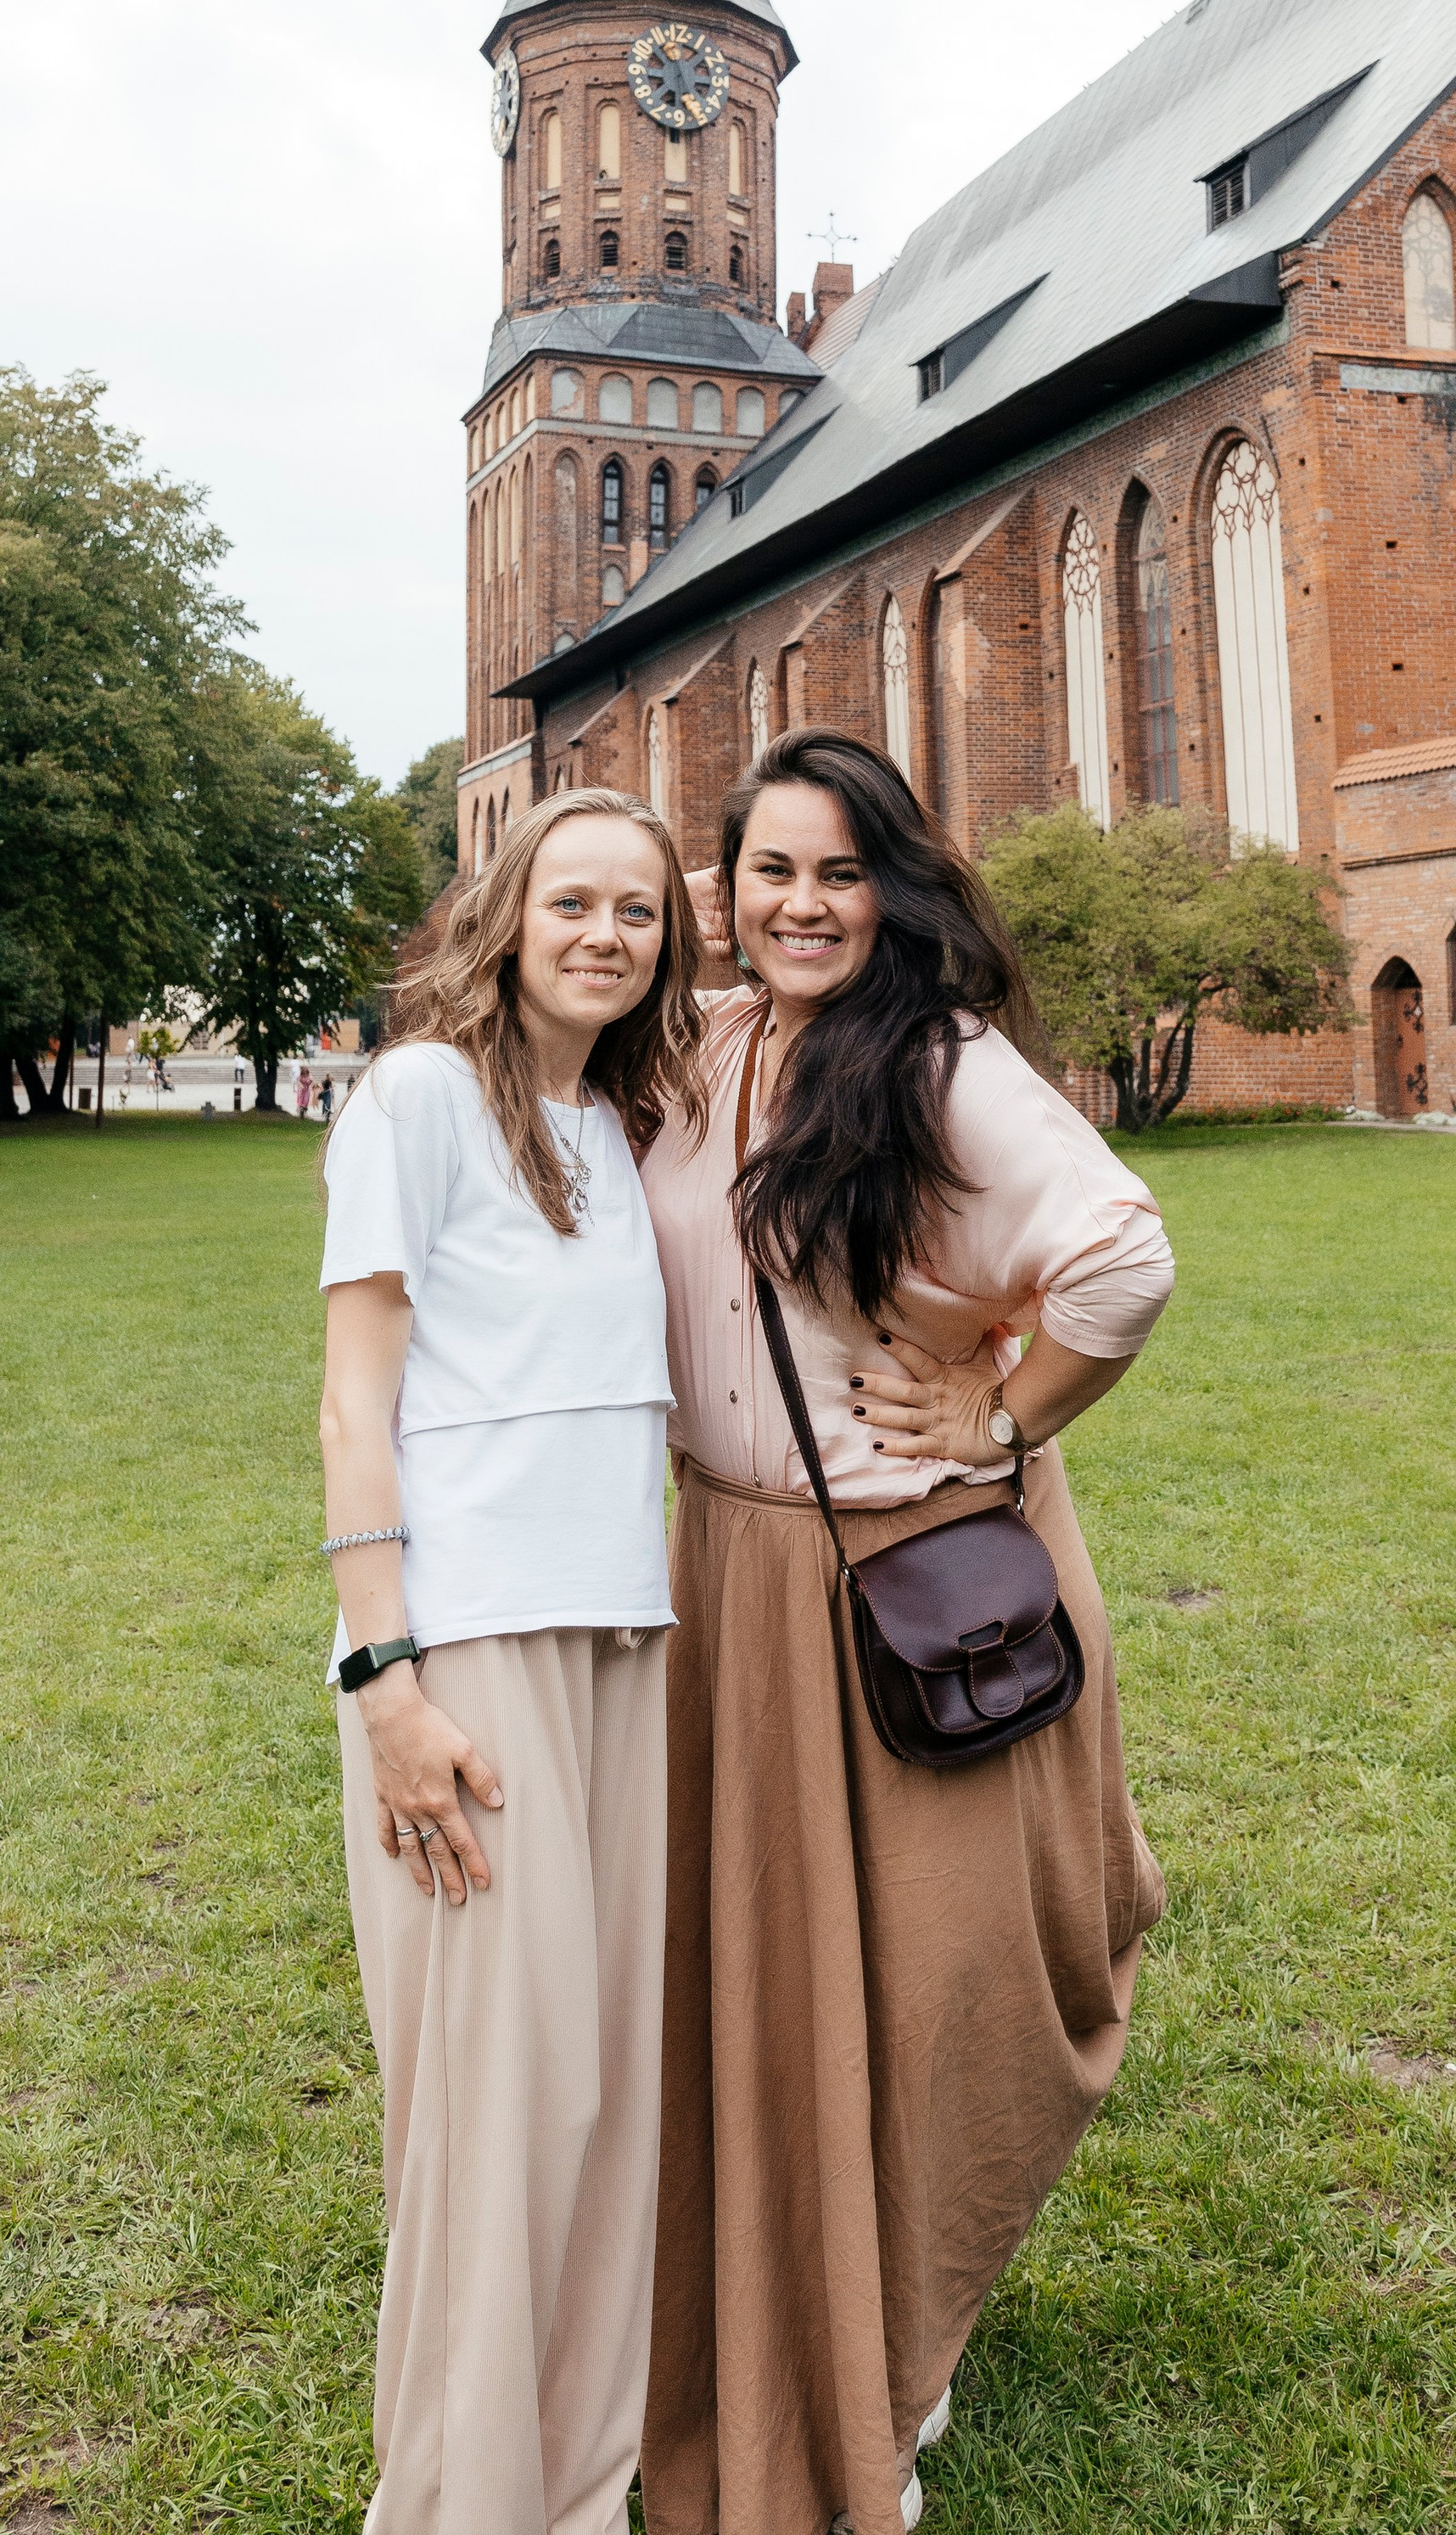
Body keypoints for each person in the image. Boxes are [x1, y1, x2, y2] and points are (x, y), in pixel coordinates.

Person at [640, 727, 1174, 2535]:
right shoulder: (707, 1047)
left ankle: (893, 2358)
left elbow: (1121, 1255)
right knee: (771, 1990)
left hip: (905, 1579)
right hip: (731, 1576)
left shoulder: (935, 1064)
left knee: (932, 1987)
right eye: (769, 871)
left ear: (894, 889)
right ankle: (776, 2307)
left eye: (837, 872)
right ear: (726, 890)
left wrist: (1005, 1415)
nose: (801, 905)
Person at [317, 787, 703, 2535]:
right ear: (508, 909)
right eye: (574, 901)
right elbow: (352, 1396)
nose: (603, 934)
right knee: (496, 2108)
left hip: (629, 1639)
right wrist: (384, 1680)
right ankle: (463, 2504)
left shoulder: (626, 1129)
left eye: (636, 910)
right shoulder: (415, 1098)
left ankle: (577, 2482)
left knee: (598, 2097)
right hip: (465, 1651)